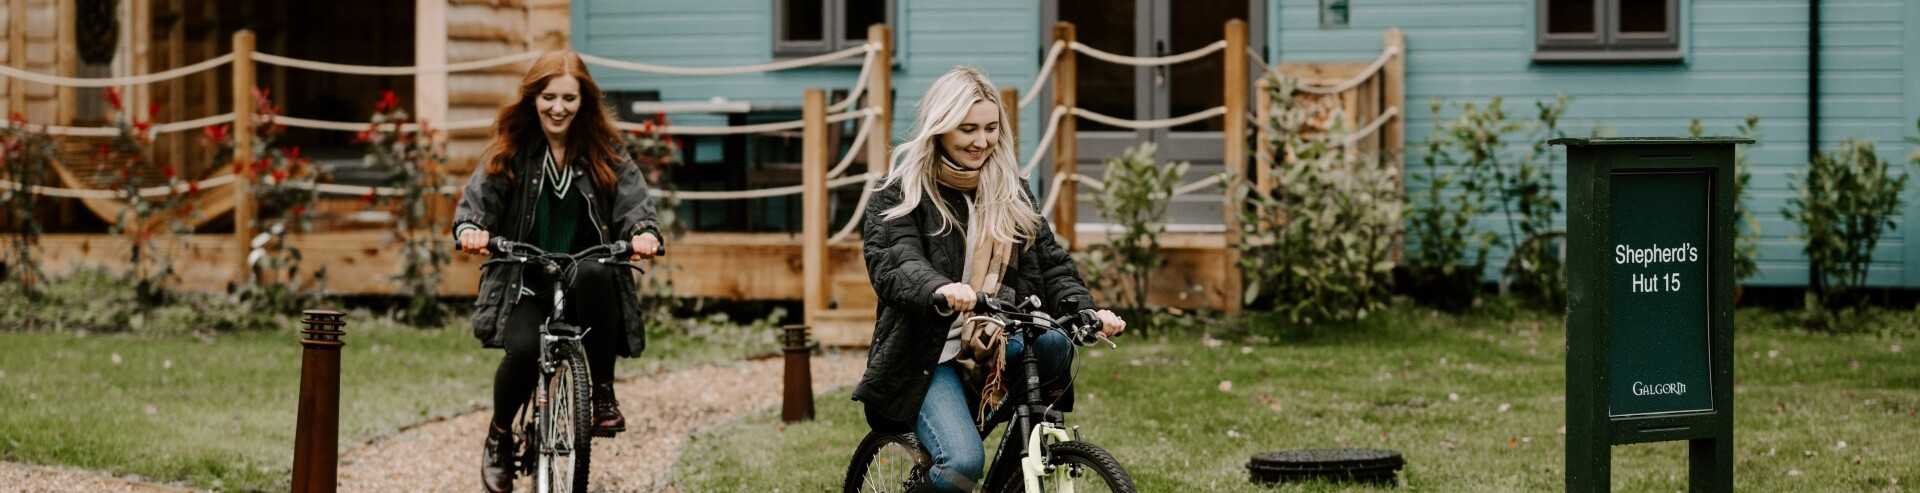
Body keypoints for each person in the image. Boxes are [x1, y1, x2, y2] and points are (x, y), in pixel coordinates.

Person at [853, 66, 1126, 493]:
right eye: (967, 129)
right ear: (940, 128)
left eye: (991, 128)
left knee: (1054, 342)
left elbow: (1051, 266)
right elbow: (896, 262)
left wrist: (1087, 313)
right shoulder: (900, 194)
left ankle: (1024, 457)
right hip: (930, 356)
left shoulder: (1010, 192)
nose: (982, 141)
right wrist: (939, 289)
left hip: (994, 341)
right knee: (961, 461)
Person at [452, 50, 663, 493]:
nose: (558, 107)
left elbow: (633, 200)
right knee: (526, 350)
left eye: (569, 97)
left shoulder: (605, 152)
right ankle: (499, 436)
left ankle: (602, 391)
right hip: (526, 282)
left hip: (585, 282)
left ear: (583, 101)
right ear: (533, 99)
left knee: (593, 272)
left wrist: (643, 230)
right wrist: (471, 226)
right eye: (549, 96)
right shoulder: (511, 151)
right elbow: (479, 199)